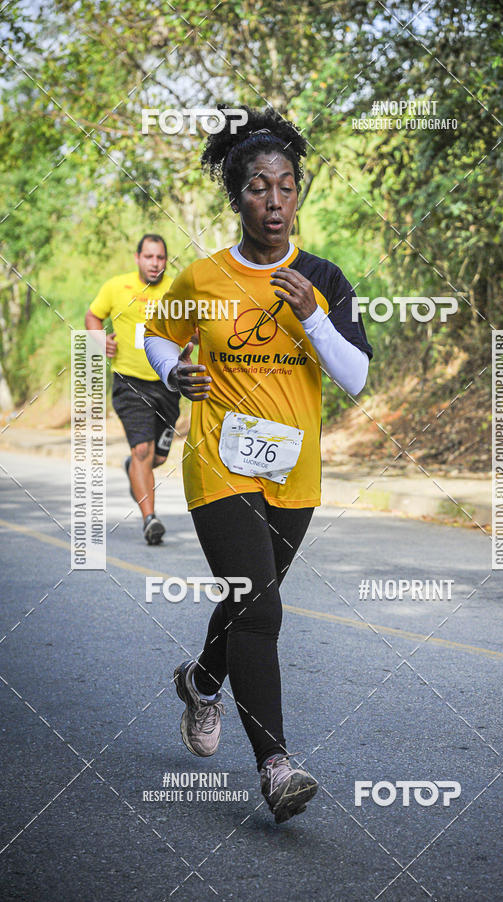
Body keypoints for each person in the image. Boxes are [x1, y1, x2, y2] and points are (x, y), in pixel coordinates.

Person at [144, 108, 373, 823]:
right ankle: (276, 765)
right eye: (257, 188)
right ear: (236, 197)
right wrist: (174, 375)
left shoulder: (324, 277)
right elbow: (158, 334)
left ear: (299, 193)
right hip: (218, 463)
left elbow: (357, 377)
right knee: (262, 605)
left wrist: (312, 317)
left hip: (293, 472)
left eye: (286, 186)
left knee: (248, 600)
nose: (273, 201)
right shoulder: (204, 276)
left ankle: (201, 681)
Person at [85, 234, 178, 545]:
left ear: (166, 260)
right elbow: (93, 316)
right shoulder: (115, 287)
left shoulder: (177, 289)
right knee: (142, 450)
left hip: (167, 384)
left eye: (161, 258)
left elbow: (194, 327)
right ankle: (150, 519)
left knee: (158, 459)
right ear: (138, 258)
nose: (155, 264)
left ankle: (133, 471)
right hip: (129, 381)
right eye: (149, 257)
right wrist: (100, 342)